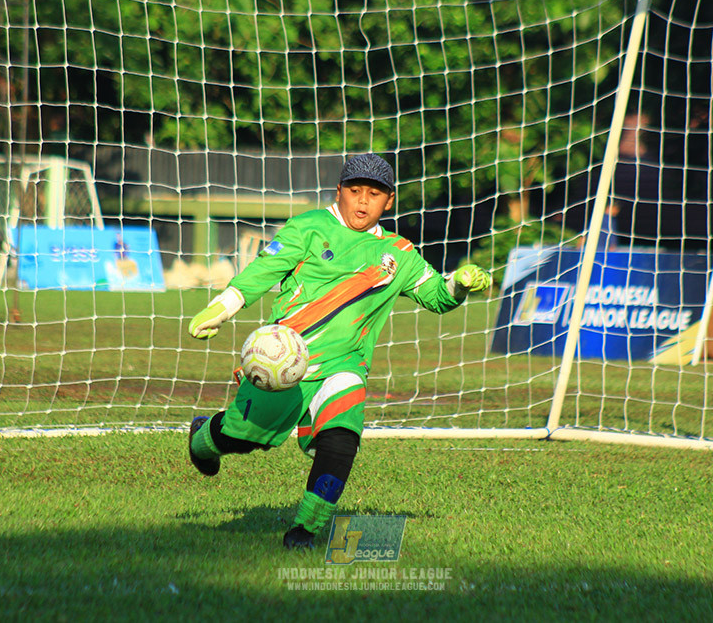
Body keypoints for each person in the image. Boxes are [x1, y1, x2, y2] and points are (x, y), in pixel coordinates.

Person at [185, 153, 492, 549]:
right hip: (287, 362)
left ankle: (304, 531)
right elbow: (261, 273)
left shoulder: (398, 253)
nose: (363, 202)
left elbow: (435, 297)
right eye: (355, 191)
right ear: (339, 192)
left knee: (341, 440)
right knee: (245, 438)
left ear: (390, 200)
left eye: (374, 193)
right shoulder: (308, 228)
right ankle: (202, 439)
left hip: (346, 366)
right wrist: (222, 308)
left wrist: (459, 286)